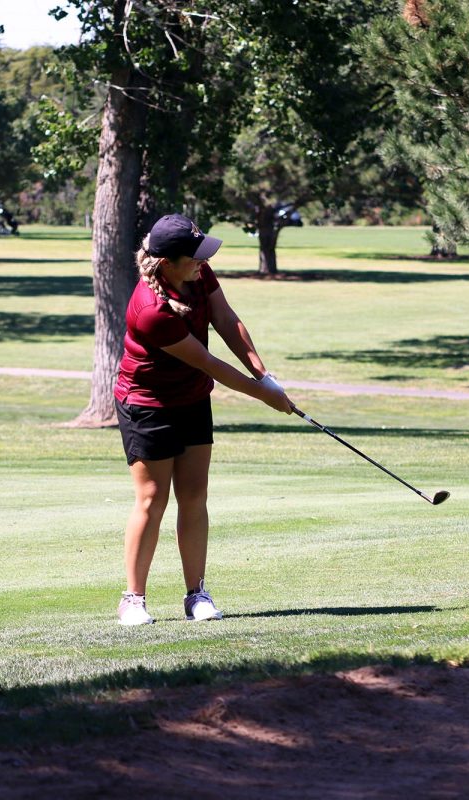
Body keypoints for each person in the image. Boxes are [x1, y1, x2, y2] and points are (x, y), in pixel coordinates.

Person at [114, 213, 292, 626]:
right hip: (147, 404)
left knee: (194, 496)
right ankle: (133, 599)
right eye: (193, 257)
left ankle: (196, 594)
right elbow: (210, 363)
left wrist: (264, 375)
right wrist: (265, 397)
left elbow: (227, 320)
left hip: (192, 398)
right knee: (152, 498)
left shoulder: (199, 272)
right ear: (166, 263)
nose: (202, 262)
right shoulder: (150, 310)